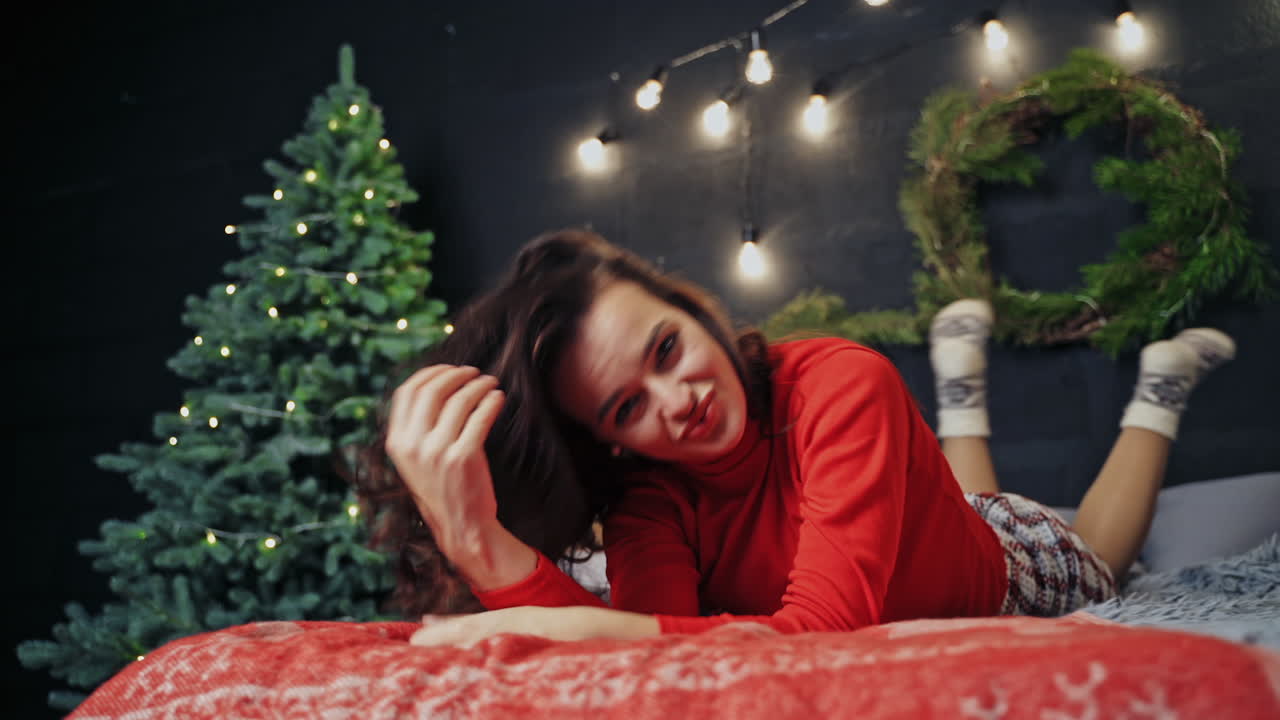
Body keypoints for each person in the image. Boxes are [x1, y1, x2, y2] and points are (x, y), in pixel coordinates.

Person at [353, 229, 1234, 647]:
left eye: (667, 348)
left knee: (1100, 550)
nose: (678, 399)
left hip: (1011, 566)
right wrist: (476, 541)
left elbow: (815, 633)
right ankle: (958, 400)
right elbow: (648, 651)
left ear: (692, 306)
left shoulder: (840, 381)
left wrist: (524, 607)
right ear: (610, 442)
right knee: (951, 499)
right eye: (626, 409)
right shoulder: (650, 500)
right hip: (923, 521)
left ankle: (1156, 396)